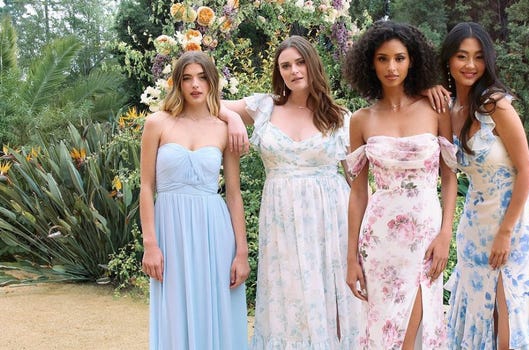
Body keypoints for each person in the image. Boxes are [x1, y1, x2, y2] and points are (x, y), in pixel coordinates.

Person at [219, 35, 362, 349]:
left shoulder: (341, 117)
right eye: (285, 65)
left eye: (299, 63)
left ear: (312, 65)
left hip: (331, 222)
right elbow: (205, 100)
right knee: (290, 297)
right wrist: (231, 118)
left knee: (333, 299)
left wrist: (361, 240)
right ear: (278, 72)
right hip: (282, 221)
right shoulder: (264, 107)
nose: (294, 70)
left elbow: (356, 184)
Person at [431, 22, 529, 350]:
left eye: (478, 57)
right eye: (461, 56)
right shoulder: (449, 111)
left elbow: (527, 171)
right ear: (448, 60)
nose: (470, 65)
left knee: (508, 313)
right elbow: (448, 174)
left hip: (511, 221)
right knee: (480, 311)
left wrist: (505, 232)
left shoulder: (497, 105)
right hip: (473, 224)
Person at [343, 20, 458, 350]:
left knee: (409, 332)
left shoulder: (436, 109)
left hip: (424, 234)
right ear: (370, 63)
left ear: (412, 60)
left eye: (399, 58)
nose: (391, 67)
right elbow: (358, 191)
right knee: (380, 329)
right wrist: (351, 257)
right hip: (378, 239)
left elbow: (449, 177)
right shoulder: (361, 119)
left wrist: (446, 233)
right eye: (382, 59)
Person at [139, 51, 249, 349]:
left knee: (215, 307)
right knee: (174, 311)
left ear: (213, 82)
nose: (195, 85)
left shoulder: (223, 128)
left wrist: (242, 252)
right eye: (187, 78)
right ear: (177, 84)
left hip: (214, 231)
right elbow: (146, 187)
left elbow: (234, 194)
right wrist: (150, 244)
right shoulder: (157, 123)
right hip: (170, 232)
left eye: (202, 77)